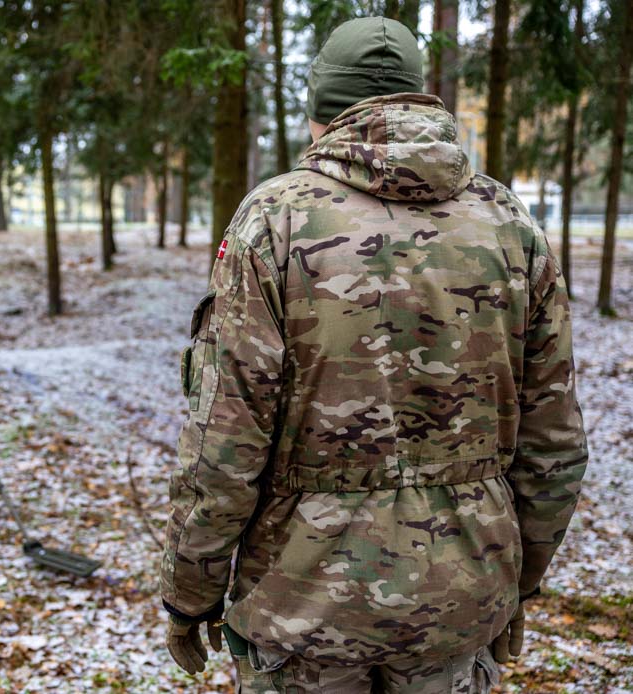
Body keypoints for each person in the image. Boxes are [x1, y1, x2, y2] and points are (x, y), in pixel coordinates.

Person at [161, 17, 588, 693]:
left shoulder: (275, 220)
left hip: (302, 608)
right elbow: (554, 443)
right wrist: (516, 582)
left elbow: (225, 444)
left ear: (321, 111)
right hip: (459, 597)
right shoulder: (510, 224)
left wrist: (190, 592)